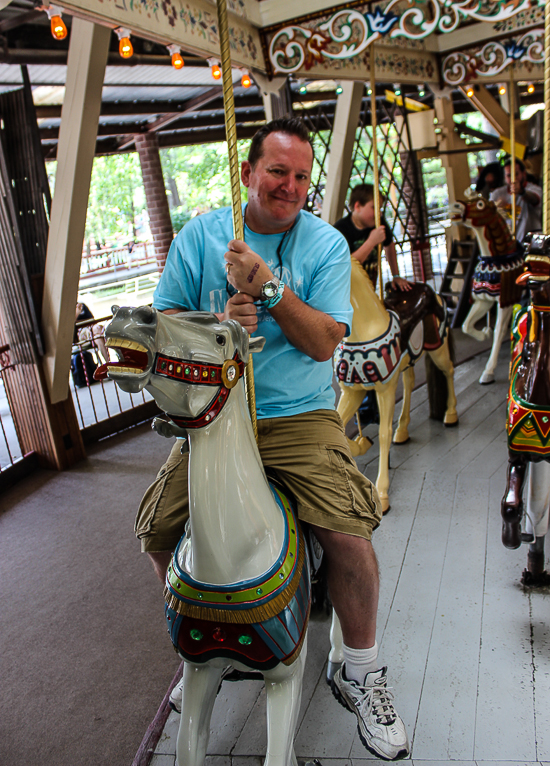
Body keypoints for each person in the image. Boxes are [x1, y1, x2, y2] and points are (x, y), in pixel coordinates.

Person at [136, 118, 409, 761]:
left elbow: (322, 342)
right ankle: (200, 644)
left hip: (296, 414)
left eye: (301, 176)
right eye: (277, 172)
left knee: (349, 532)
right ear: (248, 173)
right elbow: (165, 318)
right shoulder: (202, 234)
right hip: (219, 409)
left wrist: (269, 286)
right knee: (157, 528)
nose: (290, 186)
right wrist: (214, 319)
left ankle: (361, 669)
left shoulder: (324, 245)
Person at [333, 183, 412, 292]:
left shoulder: (378, 223)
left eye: (379, 208)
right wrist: (371, 242)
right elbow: (346, 265)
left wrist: (396, 275)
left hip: (369, 288)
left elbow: (389, 245)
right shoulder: (340, 230)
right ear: (358, 206)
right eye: (374, 208)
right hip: (349, 292)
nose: (379, 214)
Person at [490, 158, 542, 242]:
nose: (513, 179)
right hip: (508, 242)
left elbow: (534, 199)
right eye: (509, 175)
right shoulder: (498, 194)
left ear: (524, 174)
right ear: (504, 177)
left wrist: (522, 192)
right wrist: (495, 207)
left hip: (530, 241)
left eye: (516, 174)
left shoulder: (534, 189)